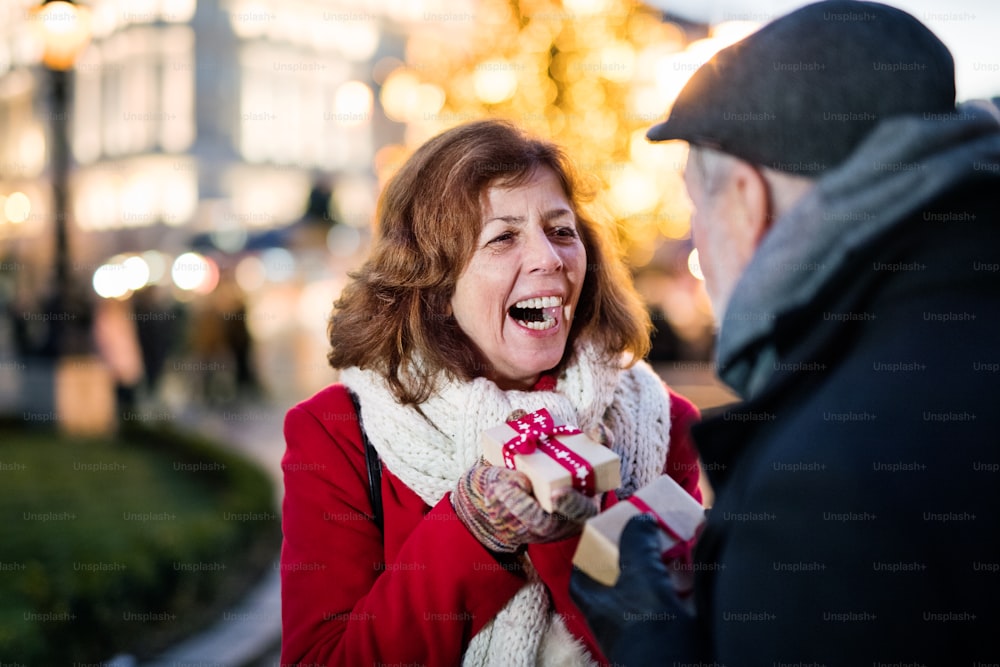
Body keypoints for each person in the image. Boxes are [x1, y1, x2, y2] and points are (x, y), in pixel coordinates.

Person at [569, 1, 1000, 665]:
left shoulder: (824, 488)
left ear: (747, 199)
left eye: (696, 209)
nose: (699, 251)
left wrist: (650, 634)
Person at [279, 119, 704, 665]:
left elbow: (681, 651)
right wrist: (472, 531)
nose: (549, 258)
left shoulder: (662, 421)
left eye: (561, 230)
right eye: (503, 237)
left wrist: (571, 535)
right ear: (432, 281)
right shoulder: (334, 432)